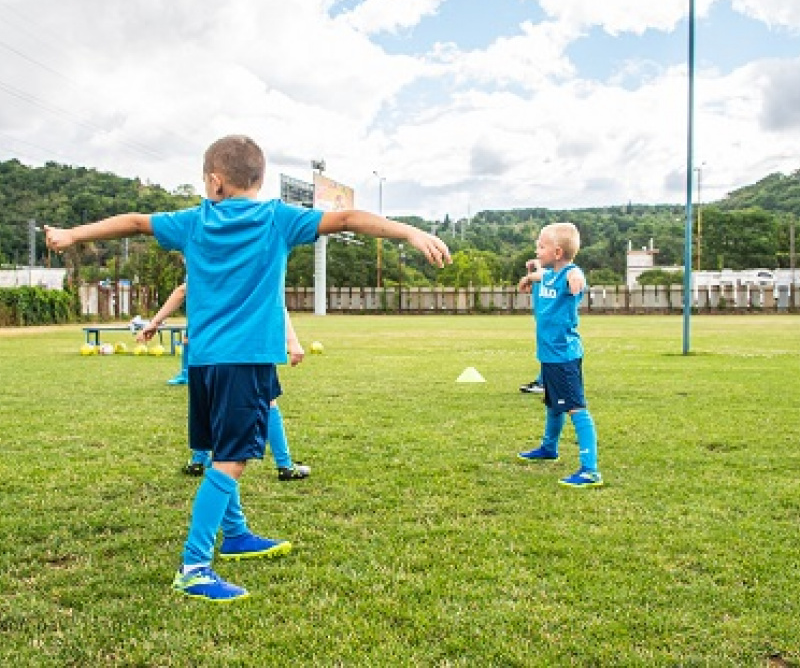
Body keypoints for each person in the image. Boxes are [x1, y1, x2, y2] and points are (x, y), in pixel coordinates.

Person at [45, 133, 451, 603]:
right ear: (257, 178)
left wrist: (73, 235)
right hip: (245, 360)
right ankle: (194, 566)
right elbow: (349, 218)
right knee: (231, 459)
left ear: (215, 181)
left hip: (203, 359)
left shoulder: (194, 222)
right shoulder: (276, 219)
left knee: (220, 447)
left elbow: (136, 222)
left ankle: (235, 535)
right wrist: (409, 231)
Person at [137, 282, 310, 481]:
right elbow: (274, 299)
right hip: (247, 347)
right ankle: (285, 464)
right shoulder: (252, 260)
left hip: (205, 348)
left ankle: (199, 459)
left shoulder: (207, 258)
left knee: (209, 401)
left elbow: (184, 290)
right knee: (268, 401)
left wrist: (155, 322)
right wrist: (292, 340)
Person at [515, 223, 602, 488]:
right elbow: (541, 277)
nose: (536, 249)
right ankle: (549, 448)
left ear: (557, 251)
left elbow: (575, 276)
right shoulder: (549, 275)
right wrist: (528, 278)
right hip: (549, 356)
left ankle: (590, 469)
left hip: (564, 357)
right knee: (553, 405)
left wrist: (577, 277)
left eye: (541, 246)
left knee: (576, 408)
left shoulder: (568, 274)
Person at [518, 258, 545, 396]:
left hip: (551, 321)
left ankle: (544, 382)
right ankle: (543, 381)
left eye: (541, 247)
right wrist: (529, 276)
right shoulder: (541, 272)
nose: (537, 252)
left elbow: (544, 275)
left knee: (551, 351)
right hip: (542, 320)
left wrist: (531, 273)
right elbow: (527, 288)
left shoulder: (555, 271)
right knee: (546, 351)